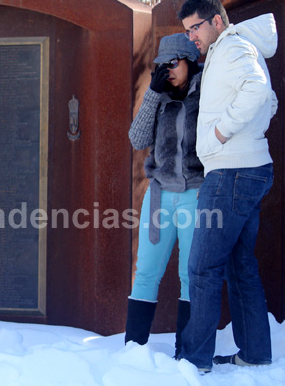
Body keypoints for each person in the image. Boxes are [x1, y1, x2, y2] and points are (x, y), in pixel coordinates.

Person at [177, 0, 278, 373]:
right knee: (240, 265)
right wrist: (248, 130)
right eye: (187, 31)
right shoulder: (238, 48)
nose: (192, 37)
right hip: (247, 168)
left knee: (202, 268)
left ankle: (194, 360)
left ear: (217, 21)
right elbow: (269, 101)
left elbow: (258, 90)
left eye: (195, 28)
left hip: (231, 173)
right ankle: (254, 352)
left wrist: (221, 132)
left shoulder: (232, 48)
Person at [125, 33, 204, 357]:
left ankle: (187, 354)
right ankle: (133, 352)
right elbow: (137, 139)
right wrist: (152, 94)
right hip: (159, 197)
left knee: (190, 274)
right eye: (162, 65)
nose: (167, 71)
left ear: (190, 61)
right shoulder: (159, 97)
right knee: (146, 271)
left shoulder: (207, 93)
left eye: (173, 63)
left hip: (195, 195)